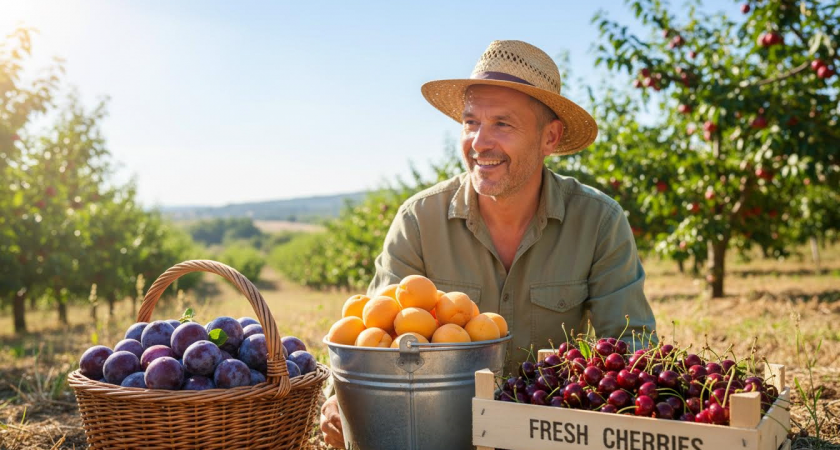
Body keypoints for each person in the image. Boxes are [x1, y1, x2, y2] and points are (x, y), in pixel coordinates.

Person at [320, 39, 656, 448]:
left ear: (549, 138)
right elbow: (374, 339)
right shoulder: (419, 220)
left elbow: (632, 344)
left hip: (548, 434)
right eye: (470, 122)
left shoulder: (599, 222)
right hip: (441, 432)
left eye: (502, 123)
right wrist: (340, 401)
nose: (479, 142)